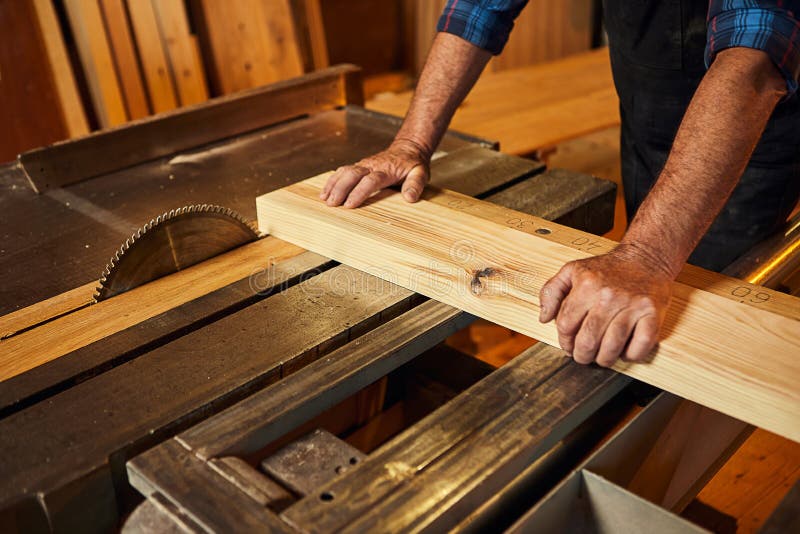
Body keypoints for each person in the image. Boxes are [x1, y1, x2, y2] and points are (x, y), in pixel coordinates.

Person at [319, 1, 800, 367]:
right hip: (646, 104)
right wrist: (411, 144)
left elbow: (755, 57)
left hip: (750, 127)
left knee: (693, 337)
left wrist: (646, 256)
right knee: (630, 305)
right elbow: (478, 8)